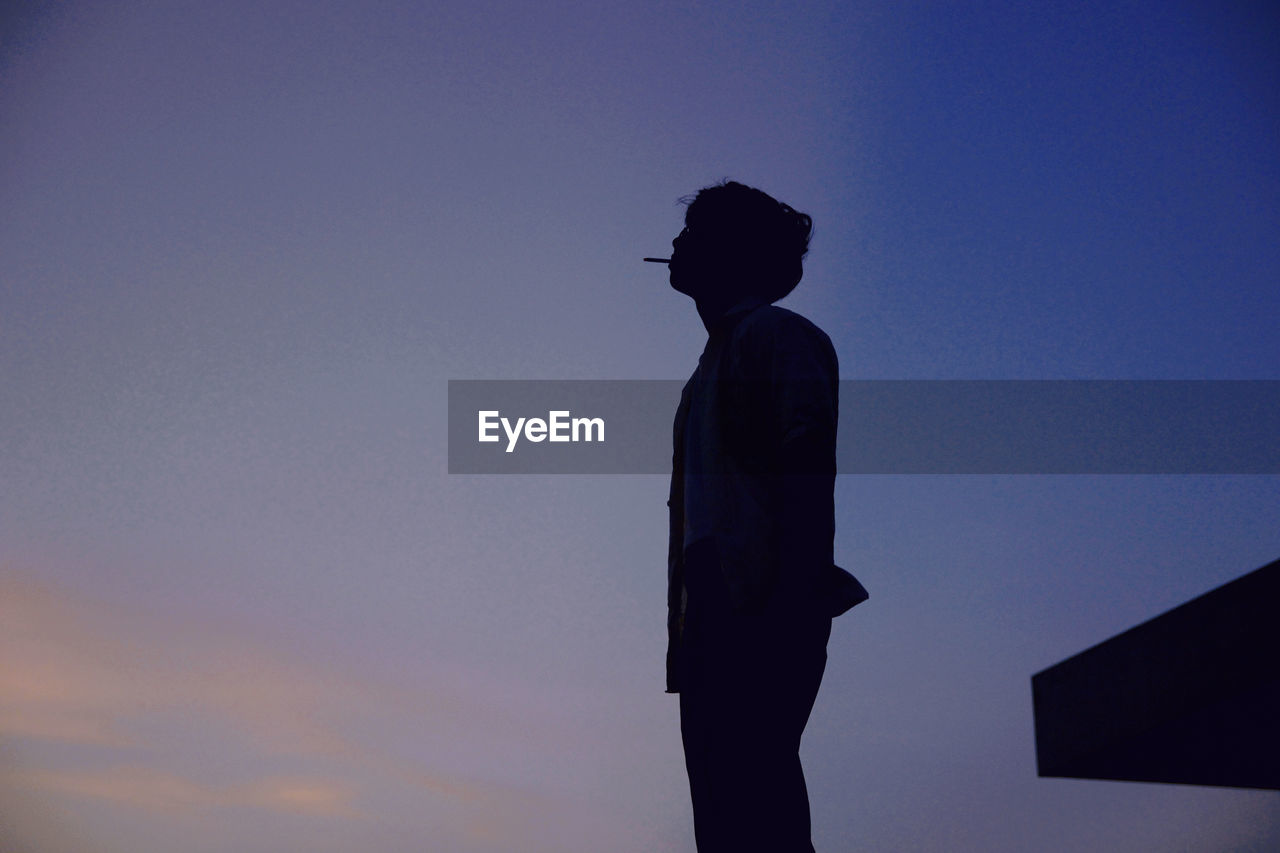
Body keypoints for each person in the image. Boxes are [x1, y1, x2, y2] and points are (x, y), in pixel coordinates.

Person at [664, 181, 867, 852]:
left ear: (729, 253)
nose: (675, 244)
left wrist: (788, 607)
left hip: (760, 607)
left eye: (694, 233)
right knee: (726, 822)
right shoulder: (707, 373)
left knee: (760, 807)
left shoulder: (780, 339)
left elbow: (807, 472)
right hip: (714, 615)